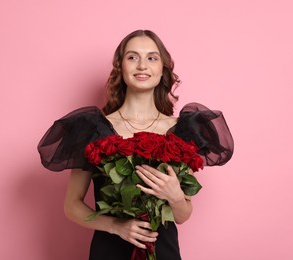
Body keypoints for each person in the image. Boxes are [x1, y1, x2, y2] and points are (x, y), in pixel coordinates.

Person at [37, 30, 234, 260]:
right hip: (108, 252)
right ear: (121, 67)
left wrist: (175, 196)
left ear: (163, 69)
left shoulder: (184, 130)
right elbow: (71, 205)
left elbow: (182, 215)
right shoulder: (92, 128)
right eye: (132, 57)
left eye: (152, 58)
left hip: (163, 252)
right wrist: (116, 226)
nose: (142, 65)